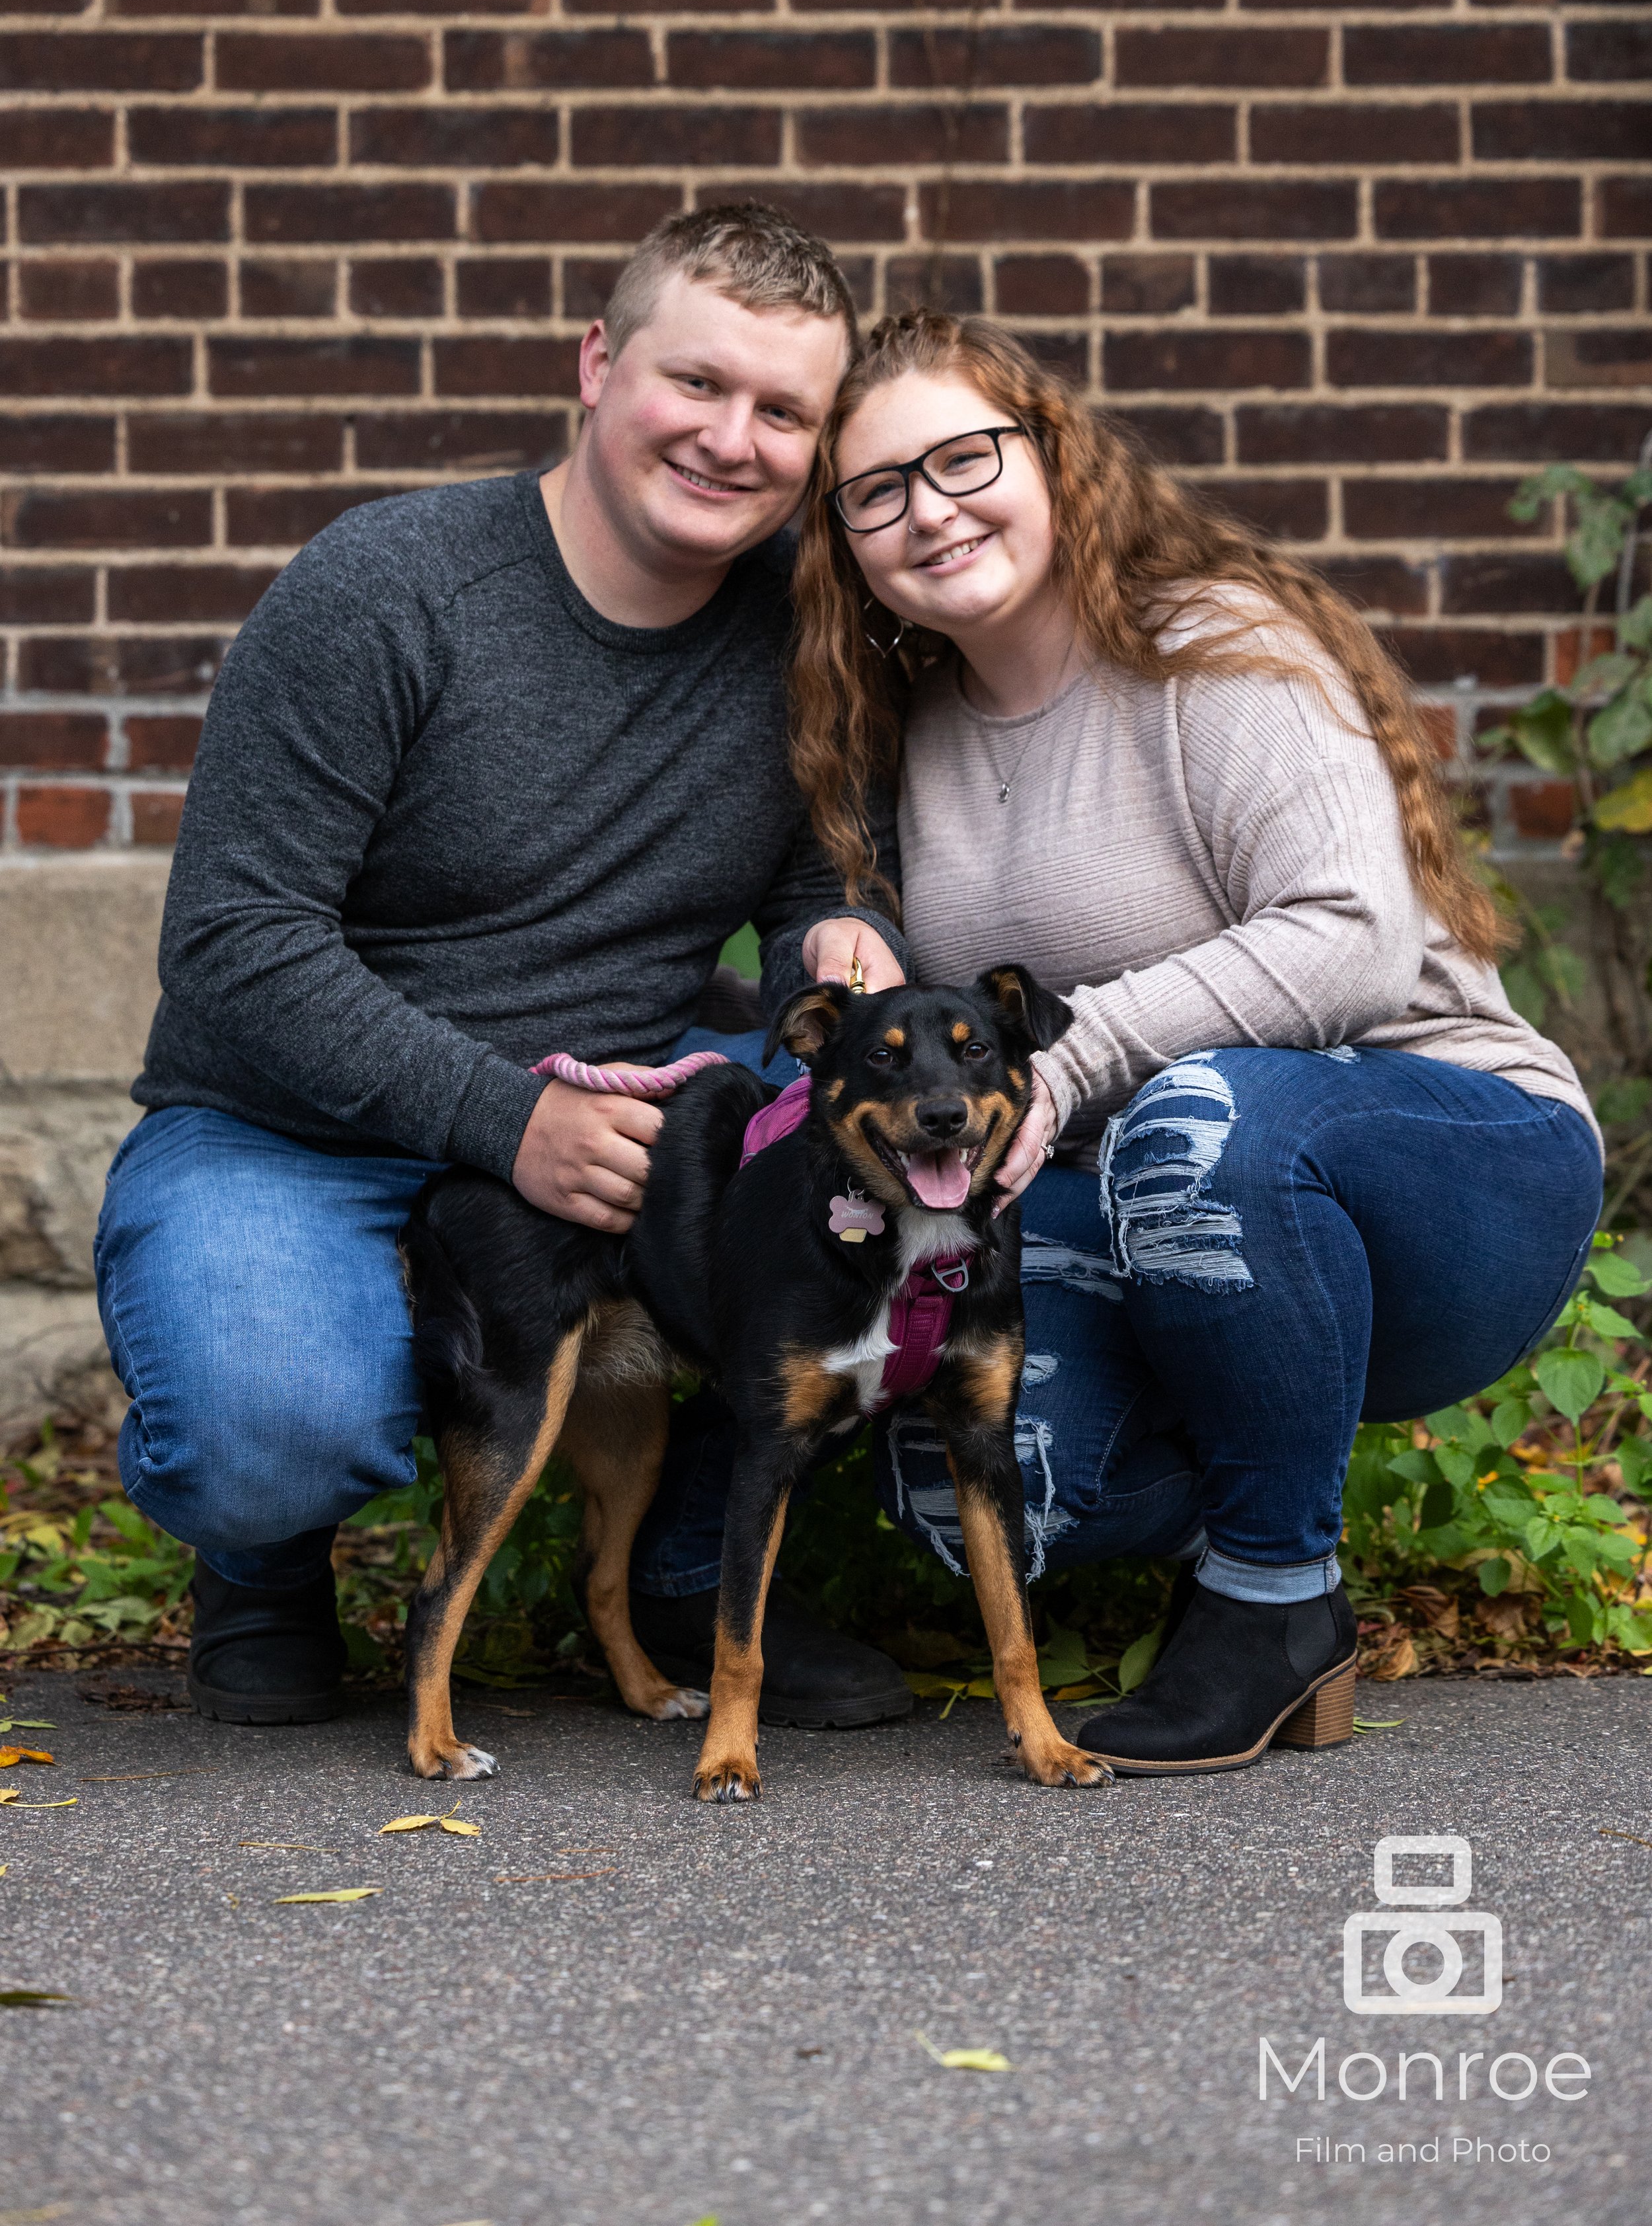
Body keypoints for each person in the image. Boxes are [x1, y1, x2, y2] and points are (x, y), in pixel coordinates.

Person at [94, 204, 913, 1730]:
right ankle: (264, 1555)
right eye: (697, 383)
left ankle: (685, 1565)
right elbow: (232, 940)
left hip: (617, 1116)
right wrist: (500, 1121)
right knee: (263, 1429)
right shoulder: (386, 592)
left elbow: (822, 884)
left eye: (783, 412)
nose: (732, 440)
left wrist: (836, 941)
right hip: (297, 1127)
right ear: (597, 365)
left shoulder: (806, 624)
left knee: (878, 1187)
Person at [786, 310, 1604, 1775]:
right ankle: (1248, 1473)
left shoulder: (1211, 646)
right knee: (967, 1472)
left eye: (963, 457)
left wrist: (1086, 1058)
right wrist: (855, 938)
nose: (929, 509)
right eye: (876, 490)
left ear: (1049, 454)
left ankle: (1275, 1603)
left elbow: (1351, 936)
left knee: (1195, 1117)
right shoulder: (917, 724)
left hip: (1446, 1166)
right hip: (1154, 1213)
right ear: (844, 536)